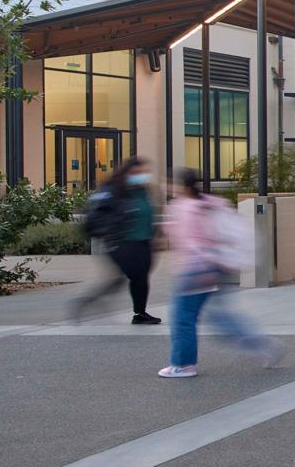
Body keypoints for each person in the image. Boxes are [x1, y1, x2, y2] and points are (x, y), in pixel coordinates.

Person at [157, 169, 282, 378]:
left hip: (195, 269)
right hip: (216, 266)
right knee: (221, 318)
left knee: (183, 318)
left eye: (170, 184)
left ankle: (183, 364)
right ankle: (262, 344)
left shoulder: (184, 207)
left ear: (181, 186)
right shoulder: (210, 203)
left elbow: (185, 239)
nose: (168, 188)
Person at [71, 157, 160, 325]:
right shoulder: (113, 190)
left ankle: (140, 313)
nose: (141, 175)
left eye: (143, 172)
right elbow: (99, 214)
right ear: (126, 172)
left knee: (141, 278)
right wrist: (109, 232)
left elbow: (148, 213)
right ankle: (88, 301)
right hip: (122, 241)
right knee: (126, 277)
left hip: (143, 240)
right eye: (136, 172)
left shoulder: (143, 190)